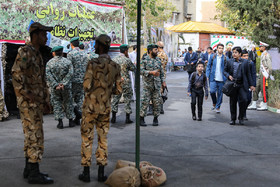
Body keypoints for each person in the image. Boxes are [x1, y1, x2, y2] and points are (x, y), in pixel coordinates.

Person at [12, 22, 54, 184]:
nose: (46, 37)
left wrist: (46, 100)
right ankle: (34, 173)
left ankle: (29, 169)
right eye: (43, 34)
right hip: (28, 104)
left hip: (36, 103)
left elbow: (41, 81)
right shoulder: (25, 52)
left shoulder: (36, 54)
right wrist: (27, 95)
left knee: (31, 136)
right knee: (35, 136)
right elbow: (16, 74)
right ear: (35, 35)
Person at [78, 34, 122, 183]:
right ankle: (101, 172)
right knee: (103, 138)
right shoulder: (115, 66)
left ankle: (86, 173)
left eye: (96, 45)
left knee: (87, 138)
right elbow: (118, 90)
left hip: (90, 108)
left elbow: (86, 85)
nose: (94, 47)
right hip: (105, 107)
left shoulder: (92, 63)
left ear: (101, 46)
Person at [46, 46, 76, 129]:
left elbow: (48, 75)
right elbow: (70, 73)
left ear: (53, 53)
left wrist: (56, 85)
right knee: (68, 103)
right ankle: (70, 121)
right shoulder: (67, 62)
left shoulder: (49, 63)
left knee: (57, 103)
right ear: (62, 53)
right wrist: (63, 83)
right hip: (66, 87)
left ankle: (60, 122)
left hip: (55, 88)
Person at [223, 46, 255, 125]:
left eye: (236, 52)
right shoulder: (230, 61)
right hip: (233, 84)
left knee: (244, 100)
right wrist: (228, 76)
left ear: (240, 54)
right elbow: (224, 71)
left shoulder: (245, 62)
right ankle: (233, 119)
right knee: (233, 102)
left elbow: (248, 74)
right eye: (233, 52)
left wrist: (251, 85)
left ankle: (241, 117)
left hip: (242, 85)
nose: (234, 54)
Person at [140, 44, 166, 127]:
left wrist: (163, 82)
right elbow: (140, 71)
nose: (157, 51)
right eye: (155, 50)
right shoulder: (144, 60)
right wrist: (151, 72)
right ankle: (142, 119)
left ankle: (155, 118)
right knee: (145, 102)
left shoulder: (158, 60)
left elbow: (161, 72)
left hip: (157, 85)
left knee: (156, 102)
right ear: (150, 51)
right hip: (147, 85)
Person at [111, 44, 135, 124]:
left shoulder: (114, 60)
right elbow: (133, 69)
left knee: (115, 99)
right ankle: (127, 118)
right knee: (127, 99)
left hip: (117, 82)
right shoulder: (127, 60)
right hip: (126, 82)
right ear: (125, 51)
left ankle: (113, 117)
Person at [67, 37, 88, 125]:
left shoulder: (70, 54)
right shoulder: (85, 54)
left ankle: (72, 119)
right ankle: (79, 119)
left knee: (70, 99)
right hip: (82, 79)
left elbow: (68, 67)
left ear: (71, 44)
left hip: (73, 80)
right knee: (80, 99)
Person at [248, 42, 272, 111]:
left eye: (261, 46)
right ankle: (254, 103)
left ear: (264, 47)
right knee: (256, 87)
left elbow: (269, 67)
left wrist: (268, 75)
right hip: (261, 74)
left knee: (263, 89)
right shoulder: (262, 54)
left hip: (265, 75)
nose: (260, 48)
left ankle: (265, 104)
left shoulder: (267, 55)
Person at [206, 44, 227, 113]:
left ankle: (218, 107)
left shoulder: (225, 58)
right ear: (217, 49)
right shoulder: (213, 56)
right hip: (213, 78)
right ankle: (214, 102)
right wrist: (207, 75)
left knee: (220, 94)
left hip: (222, 79)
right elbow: (208, 66)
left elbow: (229, 67)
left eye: (222, 48)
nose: (221, 49)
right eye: (219, 48)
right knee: (212, 91)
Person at [240, 50, 256, 120]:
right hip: (240, 85)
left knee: (248, 99)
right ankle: (243, 114)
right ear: (241, 56)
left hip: (248, 85)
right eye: (244, 56)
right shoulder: (238, 63)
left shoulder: (251, 63)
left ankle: (243, 111)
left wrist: (253, 85)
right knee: (242, 100)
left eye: (247, 56)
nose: (246, 57)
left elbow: (253, 74)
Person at [157, 41, 168, 114]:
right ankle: (161, 108)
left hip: (158, 74)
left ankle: (159, 108)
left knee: (158, 91)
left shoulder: (159, 55)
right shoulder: (165, 54)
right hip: (163, 74)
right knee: (161, 91)